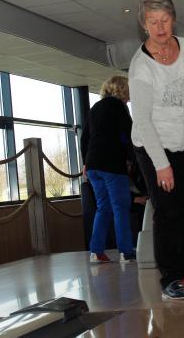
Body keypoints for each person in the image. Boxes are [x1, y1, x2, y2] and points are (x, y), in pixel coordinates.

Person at [128, 0, 184, 300]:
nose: (160, 27)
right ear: (144, 25)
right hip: (153, 145)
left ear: (173, 19)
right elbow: (143, 121)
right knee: (166, 211)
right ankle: (169, 277)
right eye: (153, 22)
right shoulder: (141, 68)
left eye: (164, 20)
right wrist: (161, 164)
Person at [83, 75, 136, 263]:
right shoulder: (119, 107)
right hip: (112, 164)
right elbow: (129, 134)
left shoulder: (95, 108)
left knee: (102, 207)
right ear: (122, 90)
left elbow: (85, 137)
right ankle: (126, 251)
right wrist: (132, 159)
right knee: (120, 207)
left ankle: (96, 252)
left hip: (93, 165)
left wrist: (85, 163)